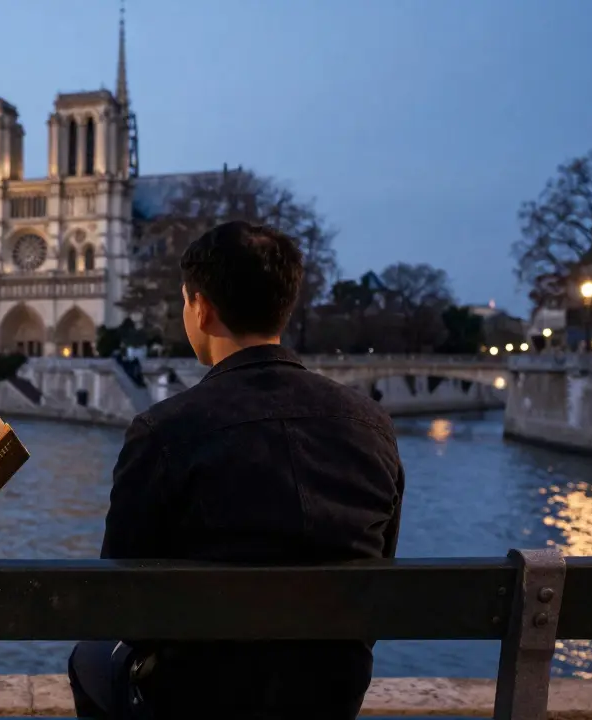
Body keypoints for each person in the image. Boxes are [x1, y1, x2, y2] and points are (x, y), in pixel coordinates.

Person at [70, 221, 406, 719]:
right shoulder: (373, 425)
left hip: (200, 696)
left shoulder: (163, 430)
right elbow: (377, 570)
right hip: (331, 693)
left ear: (201, 309)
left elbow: (121, 596)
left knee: (89, 657)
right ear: (284, 306)